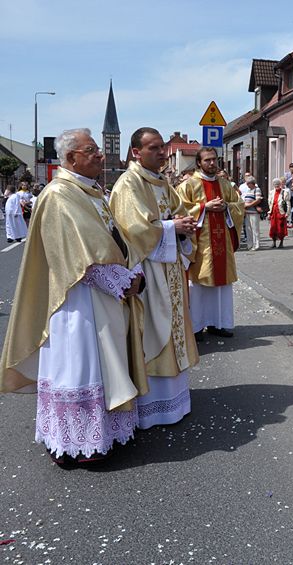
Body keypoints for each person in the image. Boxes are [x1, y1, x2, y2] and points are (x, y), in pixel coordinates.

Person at [0, 128, 146, 466]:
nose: (100, 155)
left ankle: (102, 433)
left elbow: (112, 237)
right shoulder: (59, 195)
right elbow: (77, 254)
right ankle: (73, 442)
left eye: (97, 149)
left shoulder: (91, 192)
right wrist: (125, 281)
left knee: (103, 362)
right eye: (91, 150)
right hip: (76, 299)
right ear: (71, 158)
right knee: (81, 365)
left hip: (103, 297)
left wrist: (131, 269)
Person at [110, 127, 200, 429]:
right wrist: (173, 227)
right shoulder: (128, 184)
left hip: (170, 268)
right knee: (151, 331)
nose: (162, 153)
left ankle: (175, 400)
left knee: (173, 328)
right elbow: (133, 230)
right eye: (154, 148)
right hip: (147, 272)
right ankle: (151, 406)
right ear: (137, 152)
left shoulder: (162, 182)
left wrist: (184, 225)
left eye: (163, 147)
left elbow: (179, 213)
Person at [177, 147, 245, 339]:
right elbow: (179, 210)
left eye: (214, 159)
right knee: (198, 285)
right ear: (199, 163)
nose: (212, 163)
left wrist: (227, 207)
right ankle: (197, 327)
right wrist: (204, 207)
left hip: (222, 243)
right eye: (207, 160)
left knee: (221, 287)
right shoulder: (188, 186)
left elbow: (239, 205)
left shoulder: (225, 184)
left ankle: (218, 323)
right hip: (200, 246)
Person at [242, 176, 263, 251]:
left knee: (255, 229)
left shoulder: (257, 189)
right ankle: (250, 245)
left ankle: (256, 245)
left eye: (248, 183)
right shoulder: (248, 190)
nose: (247, 185)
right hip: (247, 212)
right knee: (248, 229)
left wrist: (249, 205)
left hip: (254, 212)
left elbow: (258, 200)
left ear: (252, 183)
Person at [268, 177, 289, 248]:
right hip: (273, 213)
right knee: (273, 228)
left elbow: (288, 204)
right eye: (275, 184)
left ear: (280, 184)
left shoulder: (284, 192)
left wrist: (287, 213)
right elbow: (269, 204)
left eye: (278, 184)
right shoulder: (271, 192)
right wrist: (268, 213)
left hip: (281, 213)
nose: (276, 185)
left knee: (281, 228)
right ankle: (274, 242)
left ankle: (281, 242)